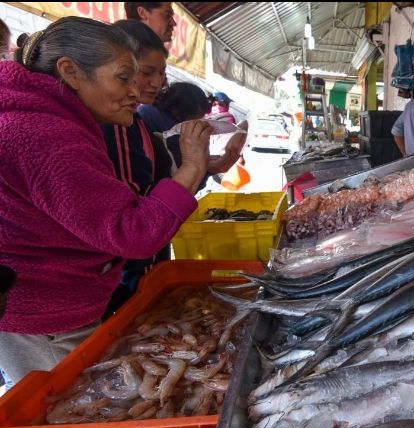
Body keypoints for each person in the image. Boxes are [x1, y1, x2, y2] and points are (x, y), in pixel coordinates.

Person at [0, 17, 212, 384]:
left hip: (55, 304)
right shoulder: (45, 136)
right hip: (47, 316)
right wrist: (192, 166)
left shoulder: (46, 118)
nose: (137, 90)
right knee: (71, 411)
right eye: (123, 77)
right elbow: (133, 233)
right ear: (70, 71)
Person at [100, 19, 178, 316]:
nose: (156, 83)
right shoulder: (117, 126)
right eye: (145, 73)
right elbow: (133, 217)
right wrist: (194, 168)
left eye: (161, 73)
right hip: (128, 277)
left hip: (147, 264)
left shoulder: (137, 122)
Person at [140, 82, 245, 182]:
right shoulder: (164, 132)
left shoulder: (148, 112)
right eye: (193, 120)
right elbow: (175, 177)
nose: (196, 124)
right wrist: (207, 167)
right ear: (177, 112)